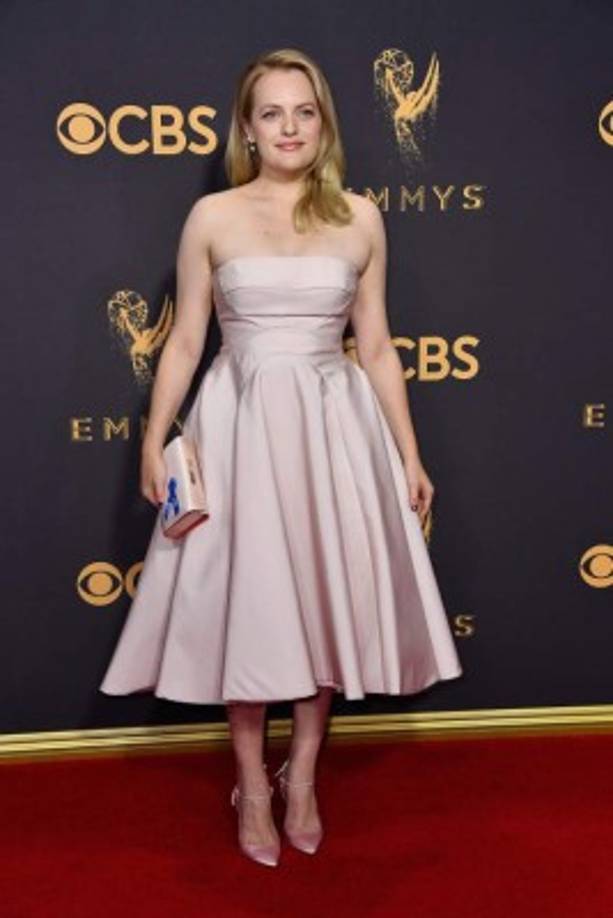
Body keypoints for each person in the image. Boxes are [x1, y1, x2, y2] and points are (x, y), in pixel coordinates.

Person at [99, 46, 462, 868]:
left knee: (323, 597)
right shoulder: (214, 217)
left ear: (323, 123)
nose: (289, 126)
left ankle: (299, 777)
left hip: (335, 429)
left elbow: (374, 346)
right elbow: (186, 339)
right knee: (251, 603)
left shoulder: (361, 217)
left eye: (304, 111)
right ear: (249, 128)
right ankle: (250, 784)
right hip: (239, 427)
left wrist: (408, 454)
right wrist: (155, 438)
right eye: (271, 112)